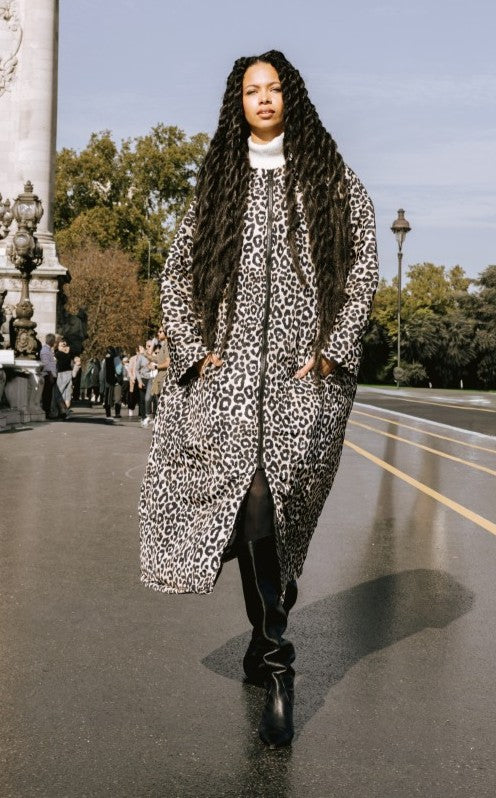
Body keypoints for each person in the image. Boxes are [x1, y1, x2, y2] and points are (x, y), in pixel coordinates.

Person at [139, 51, 379, 748]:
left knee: (285, 513)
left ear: (290, 97)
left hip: (305, 378)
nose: (265, 98)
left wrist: (333, 347)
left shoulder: (329, 177)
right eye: (253, 90)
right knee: (254, 503)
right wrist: (194, 349)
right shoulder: (221, 179)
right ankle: (279, 668)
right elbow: (177, 273)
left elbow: (363, 265)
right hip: (233, 379)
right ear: (238, 102)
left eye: (274, 88)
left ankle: (260, 638)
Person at [148, 327, 170, 419]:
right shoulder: (164, 345)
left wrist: (156, 367)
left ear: (166, 333)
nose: (158, 333)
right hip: (160, 378)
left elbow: (168, 363)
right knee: (160, 403)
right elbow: (156, 359)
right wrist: (145, 354)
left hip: (165, 378)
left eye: (160, 331)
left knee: (164, 404)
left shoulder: (168, 346)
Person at [39, 333, 58, 418]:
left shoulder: (49, 350)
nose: (55, 342)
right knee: (47, 395)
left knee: (49, 395)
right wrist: (50, 375)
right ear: (51, 341)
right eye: (54, 341)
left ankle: (48, 411)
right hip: (47, 375)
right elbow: (46, 364)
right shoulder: (45, 351)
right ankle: (46, 412)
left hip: (51, 374)